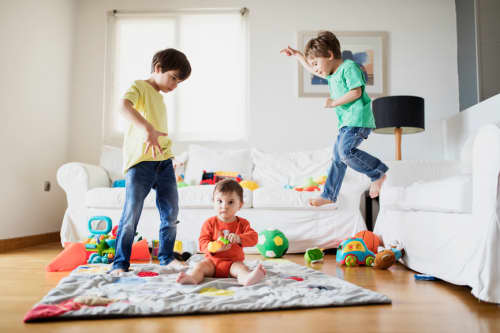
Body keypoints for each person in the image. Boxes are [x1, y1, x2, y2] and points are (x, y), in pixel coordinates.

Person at [281, 31, 388, 207]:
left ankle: (377, 173)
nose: (315, 68)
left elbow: (356, 92)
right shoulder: (333, 75)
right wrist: (298, 55)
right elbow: (309, 68)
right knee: (338, 158)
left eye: (316, 63)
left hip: (358, 120)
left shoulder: (349, 68)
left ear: (329, 55)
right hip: (346, 123)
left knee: (345, 153)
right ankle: (329, 195)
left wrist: (334, 103)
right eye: (313, 65)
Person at [109, 48, 191, 275]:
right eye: (173, 77)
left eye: (179, 82)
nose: (174, 85)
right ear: (158, 68)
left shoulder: (160, 99)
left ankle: (166, 258)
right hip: (140, 164)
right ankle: (120, 263)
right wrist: (146, 128)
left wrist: (169, 156)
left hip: (163, 163)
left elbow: (160, 134)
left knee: (171, 213)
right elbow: (123, 106)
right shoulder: (140, 87)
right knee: (131, 213)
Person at [176, 179, 266, 286]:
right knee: (199, 267)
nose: (224, 206)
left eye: (230, 202)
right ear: (213, 202)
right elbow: (202, 242)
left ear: (240, 205)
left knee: (242, 269)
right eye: (219, 201)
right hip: (212, 262)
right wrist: (213, 247)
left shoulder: (242, 223)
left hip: (233, 263)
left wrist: (239, 238)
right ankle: (192, 278)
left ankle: (246, 278)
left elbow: (254, 238)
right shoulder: (210, 223)